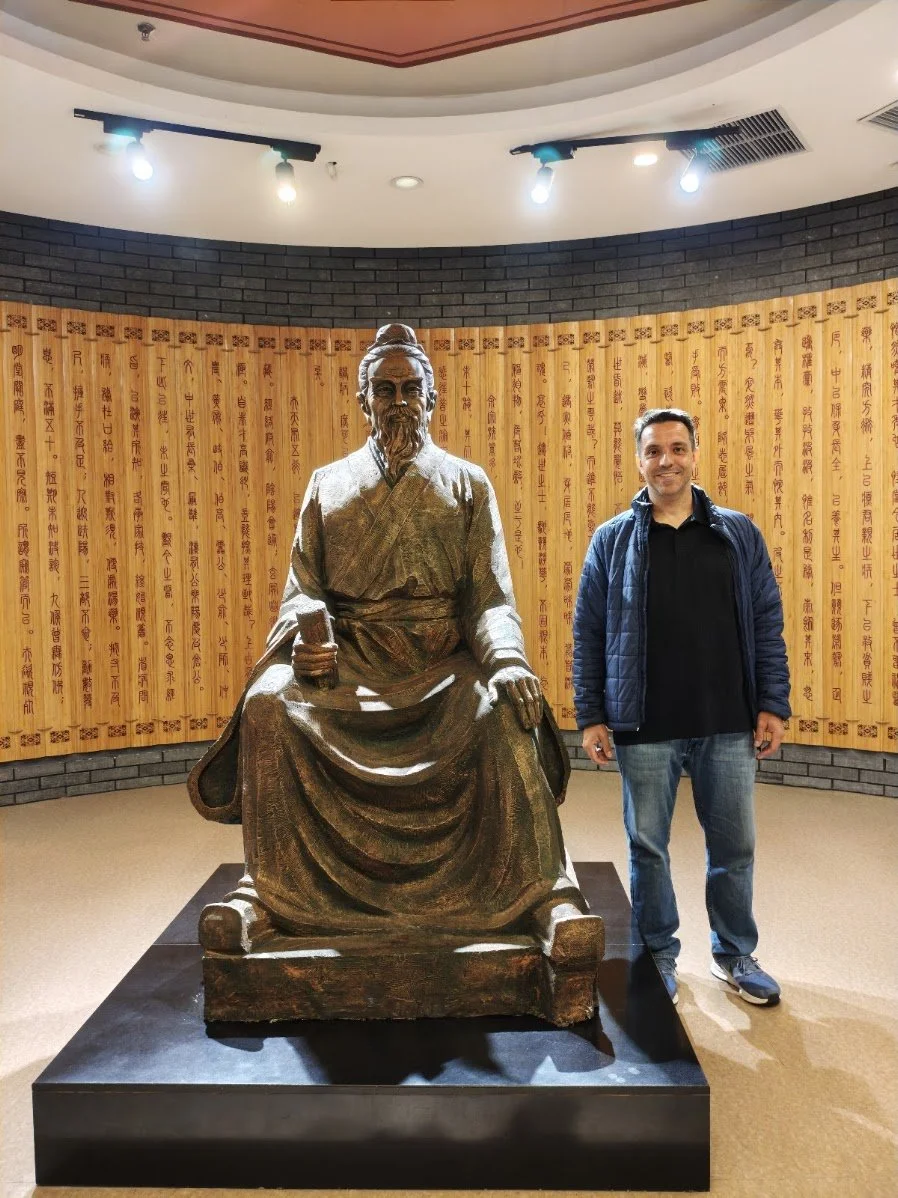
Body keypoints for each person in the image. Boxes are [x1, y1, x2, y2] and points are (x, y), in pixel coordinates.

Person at [190, 323, 601, 976]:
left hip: (441, 665)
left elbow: (487, 599)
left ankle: (543, 895)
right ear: (363, 400)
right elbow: (304, 590)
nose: (399, 401)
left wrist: (509, 661)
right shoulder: (328, 485)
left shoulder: (468, 483)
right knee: (269, 707)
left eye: (412, 388)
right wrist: (307, 645)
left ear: (432, 398)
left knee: (502, 713)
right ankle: (269, 893)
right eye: (384, 388)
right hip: (351, 667)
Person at [573, 408, 790, 1007]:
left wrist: (771, 701)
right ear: (639, 459)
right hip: (645, 723)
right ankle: (658, 956)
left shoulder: (737, 533)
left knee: (734, 847)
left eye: (676, 448)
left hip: (727, 719)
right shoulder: (612, 541)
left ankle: (735, 953)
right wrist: (591, 714)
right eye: (653, 450)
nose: (665, 460)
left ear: (695, 454)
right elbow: (589, 631)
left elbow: (767, 620)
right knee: (648, 847)